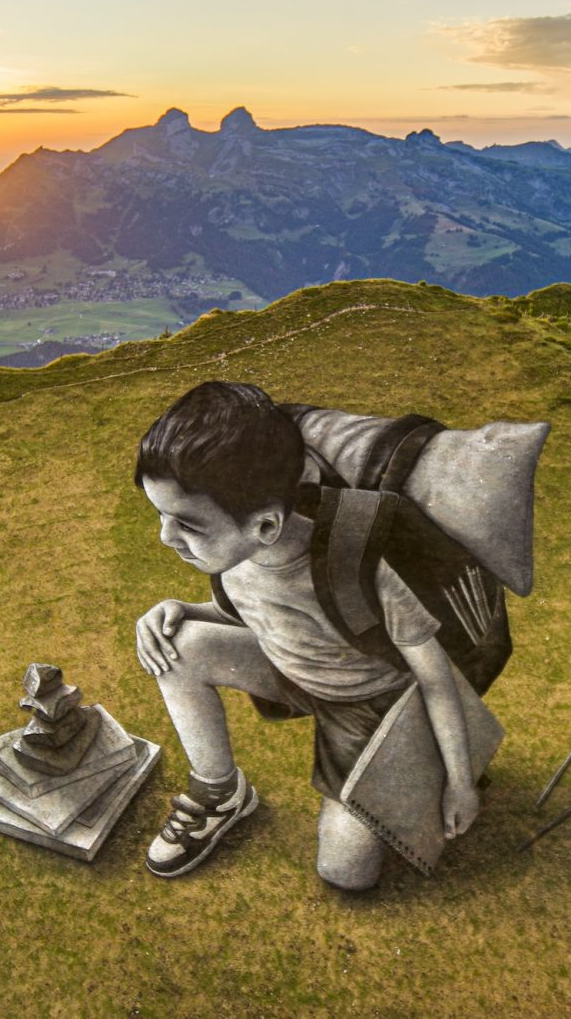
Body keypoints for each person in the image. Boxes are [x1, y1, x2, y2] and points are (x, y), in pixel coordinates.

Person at [132, 381, 480, 890]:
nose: (165, 537)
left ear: (267, 526)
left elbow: (436, 679)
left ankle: (413, 778)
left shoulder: (357, 567)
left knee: (345, 872)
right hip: (292, 672)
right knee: (178, 644)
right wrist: (180, 609)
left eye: (187, 524)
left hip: (370, 707)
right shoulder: (236, 558)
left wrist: (461, 780)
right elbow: (258, 616)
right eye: (161, 516)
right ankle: (220, 795)